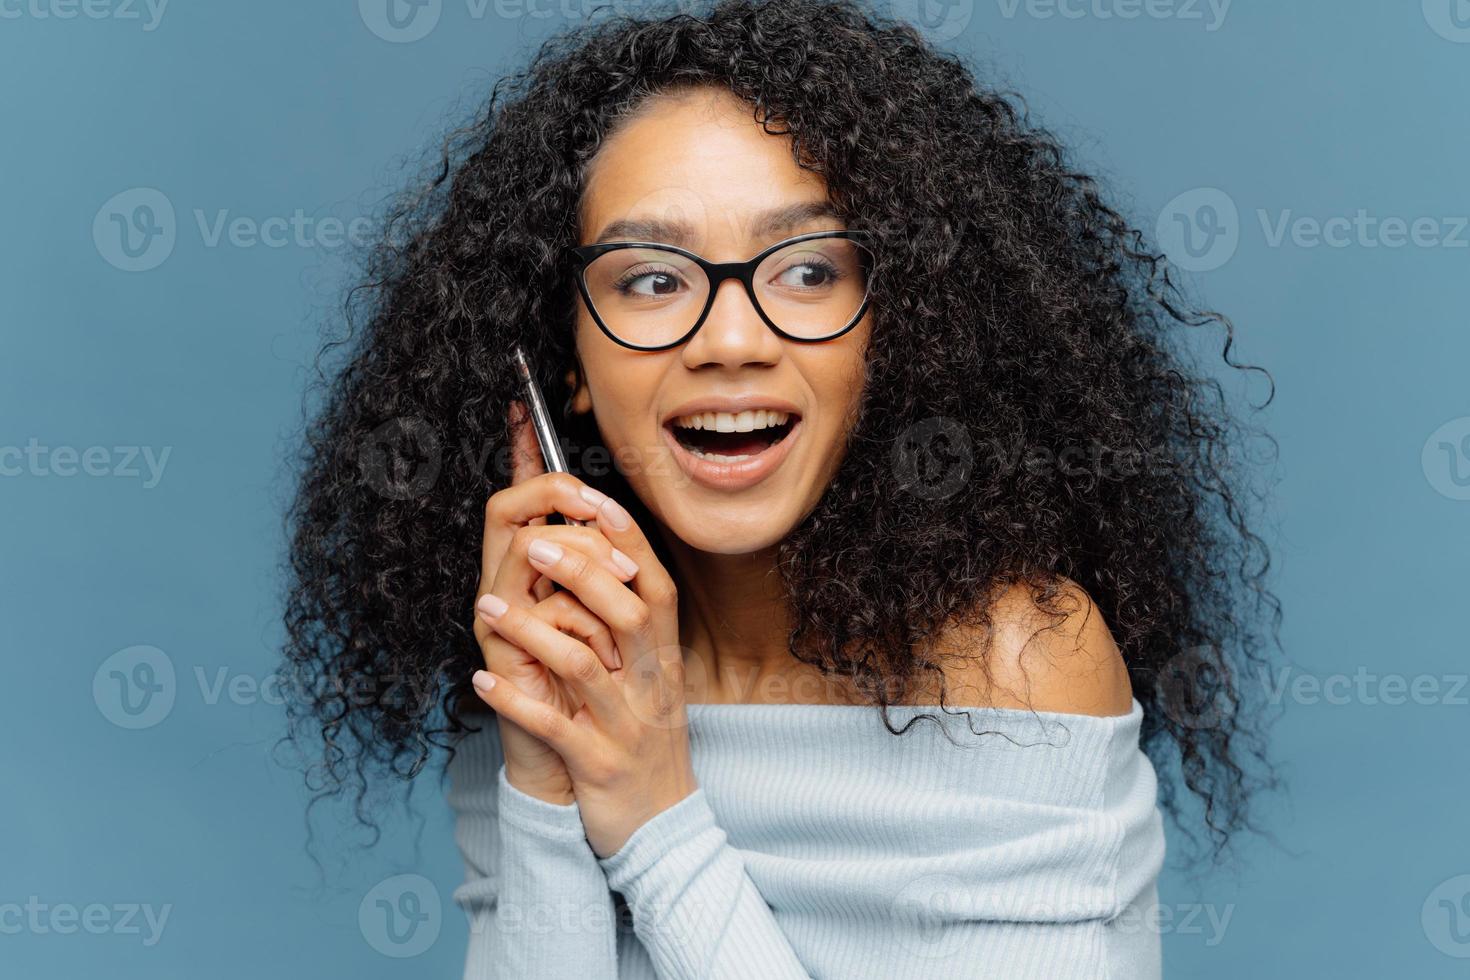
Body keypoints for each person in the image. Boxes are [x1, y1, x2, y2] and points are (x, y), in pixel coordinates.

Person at [282, 1, 1280, 976]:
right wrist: (547, 788)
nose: (729, 343)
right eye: (652, 279)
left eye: (807, 271)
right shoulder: (558, 659)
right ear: (568, 358)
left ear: (901, 329)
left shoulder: (1018, 663)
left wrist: (654, 818)